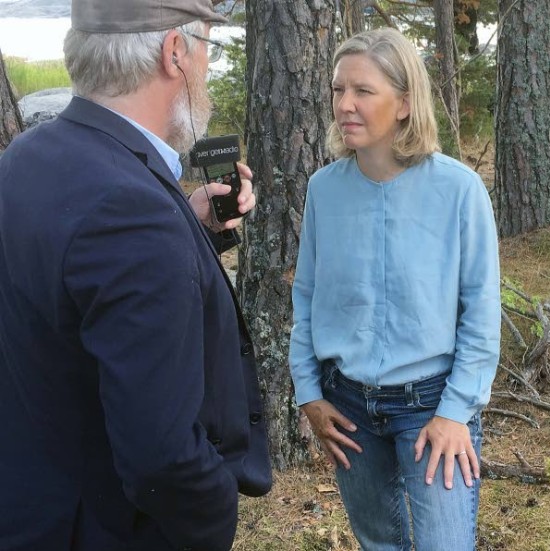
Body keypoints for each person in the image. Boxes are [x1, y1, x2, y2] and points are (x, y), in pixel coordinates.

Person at [0, 1, 272, 550]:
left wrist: (186, 220)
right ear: (175, 52)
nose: (206, 70)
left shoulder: (27, 156)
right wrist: (215, 515)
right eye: (206, 50)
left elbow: (66, 284)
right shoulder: (132, 212)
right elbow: (162, 457)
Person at [289, 28, 500, 551]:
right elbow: (308, 298)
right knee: (379, 543)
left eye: (363, 91)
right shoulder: (324, 189)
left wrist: (456, 412)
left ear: (405, 103)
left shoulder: (458, 190)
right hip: (347, 406)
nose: (345, 105)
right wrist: (308, 393)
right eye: (338, 90)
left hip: (433, 403)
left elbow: (481, 310)